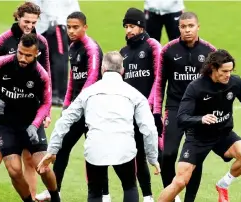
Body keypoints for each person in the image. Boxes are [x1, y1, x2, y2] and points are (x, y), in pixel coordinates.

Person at [37, 51, 161, 202]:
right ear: (122, 70)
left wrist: (52, 150)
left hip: (95, 149)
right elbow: (149, 128)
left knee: (95, 192)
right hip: (124, 149)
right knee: (129, 187)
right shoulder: (135, 94)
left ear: (102, 69)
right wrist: (153, 157)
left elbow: (64, 121)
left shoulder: (87, 93)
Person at [157, 49, 241, 202]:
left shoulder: (235, 82)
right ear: (213, 68)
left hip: (223, 135)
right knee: (180, 181)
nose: (228, 75)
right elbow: (181, 118)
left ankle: (223, 184)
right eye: (224, 71)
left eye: (230, 70)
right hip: (198, 138)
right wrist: (201, 119)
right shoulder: (196, 87)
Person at [0, 34, 61, 202]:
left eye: (28, 55)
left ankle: (55, 197)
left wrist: (35, 125)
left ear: (36, 54)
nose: (22, 58)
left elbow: (46, 103)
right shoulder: (2, 63)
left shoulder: (41, 75)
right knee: (14, 170)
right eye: (20, 53)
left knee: (42, 167)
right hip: (6, 124)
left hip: (30, 124)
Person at [0, 2, 51, 201]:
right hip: (5, 112)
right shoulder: (3, 41)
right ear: (17, 18)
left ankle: (31, 198)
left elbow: (46, 77)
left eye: (33, 22)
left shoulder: (41, 43)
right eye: (26, 21)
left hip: (30, 110)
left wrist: (46, 113)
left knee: (30, 160)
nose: (29, 26)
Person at [35, 11, 105, 202]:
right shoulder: (73, 47)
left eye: (76, 27)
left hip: (94, 110)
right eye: (69, 27)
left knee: (96, 153)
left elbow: (91, 78)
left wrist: (77, 104)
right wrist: (67, 106)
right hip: (76, 109)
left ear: (85, 27)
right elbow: (73, 81)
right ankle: (53, 192)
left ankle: (103, 195)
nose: (72, 31)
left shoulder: (92, 48)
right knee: (62, 148)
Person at [153, 11, 216, 202]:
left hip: (199, 111)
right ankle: (171, 195)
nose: (187, 30)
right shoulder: (168, 50)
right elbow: (159, 82)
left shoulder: (209, 51)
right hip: (174, 108)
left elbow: (216, 84)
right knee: (168, 154)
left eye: (191, 26)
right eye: (183, 27)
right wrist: (157, 112)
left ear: (198, 27)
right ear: (178, 28)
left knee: (194, 159)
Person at [119, 7, 163, 202]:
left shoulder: (152, 46)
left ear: (141, 27)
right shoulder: (124, 52)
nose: (128, 30)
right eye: (126, 26)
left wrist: (152, 107)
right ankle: (147, 196)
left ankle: (173, 192)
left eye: (132, 26)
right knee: (137, 154)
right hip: (130, 114)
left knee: (161, 153)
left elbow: (159, 79)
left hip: (151, 111)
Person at [30, 0, 80, 106]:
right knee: (53, 58)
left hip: (50, 24)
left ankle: (54, 93)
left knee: (53, 58)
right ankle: (55, 94)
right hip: (50, 24)